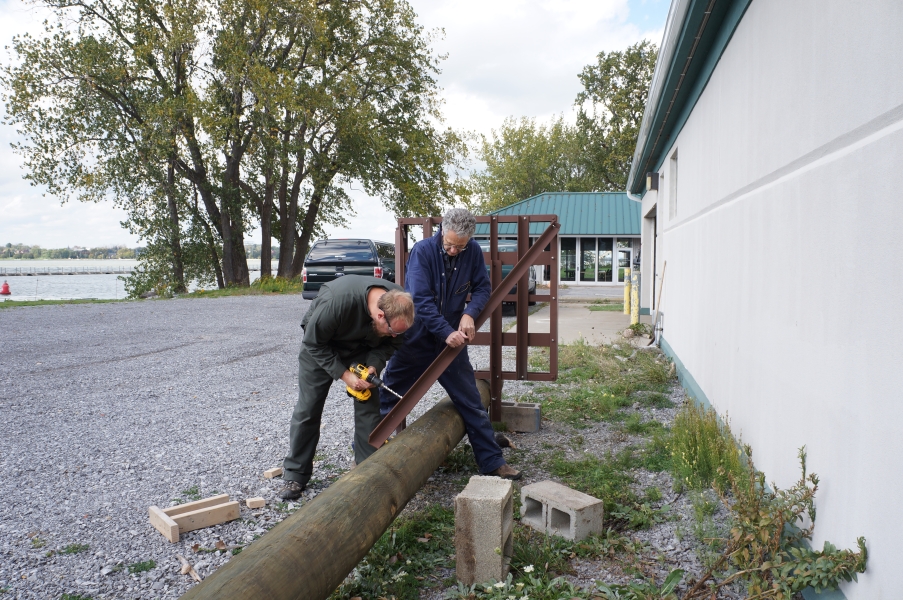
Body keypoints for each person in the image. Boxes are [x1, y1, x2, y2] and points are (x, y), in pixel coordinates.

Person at [379, 208, 521, 480]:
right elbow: (420, 301)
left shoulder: (473, 253)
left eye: (460, 246)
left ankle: (492, 462)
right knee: (388, 396)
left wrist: (469, 314)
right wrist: (446, 331)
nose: (454, 250)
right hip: (416, 340)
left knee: (471, 401)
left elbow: (482, 289)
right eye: (450, 244)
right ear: (442, 231)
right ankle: (364, 455)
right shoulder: (422, 252)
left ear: (469, 240)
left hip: (451, 346)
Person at [279, 275, 414, 500]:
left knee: (369, 408)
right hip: (321, 349)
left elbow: (391, 344)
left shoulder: (399, 304)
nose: (395, 335)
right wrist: (344, 375)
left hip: (361, 348)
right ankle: (296, 474)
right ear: (380, 315)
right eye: (392, 330)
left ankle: (367, 469)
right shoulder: (336, 302)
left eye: (399, 331)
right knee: (309, 408)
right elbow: (313, 342)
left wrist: (373, 366)